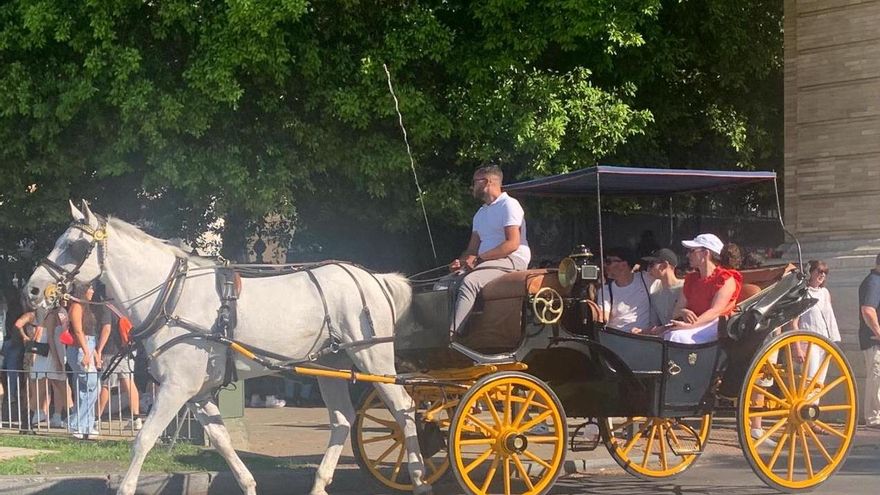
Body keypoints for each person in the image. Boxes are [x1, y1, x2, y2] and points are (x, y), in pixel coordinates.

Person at [447, 164, 530, 336]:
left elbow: (512, 243)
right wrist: (461, 263)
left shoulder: (509, 205)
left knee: (470, 282)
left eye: (474, 182)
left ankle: (451, 336)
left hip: (512, 259)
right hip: (486, 261)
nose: (472, 186)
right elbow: (472, 249)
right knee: (442, 285)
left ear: (487, 182)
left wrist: (479, 259)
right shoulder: (480, 213)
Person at [665, 233, 742, 345]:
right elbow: (676, 311)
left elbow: (715, 311)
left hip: (715, 327)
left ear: (706, 253)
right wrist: (683, 312)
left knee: (675, 337)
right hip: (692, 327)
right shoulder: (691, 279)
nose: (687, 255)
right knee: (662, 337)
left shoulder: (725, 279)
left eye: (692, 251)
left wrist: (690, 326)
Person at [791, 261, 841, 412]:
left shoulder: (825, 293)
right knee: (809, 379)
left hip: (825, 341)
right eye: (819, 271)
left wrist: (833, 340)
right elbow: (794, 322)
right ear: (811, 272)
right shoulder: (803, 292)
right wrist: (797, 347)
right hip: (808, 340)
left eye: (824, 273)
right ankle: (804, 413)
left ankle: (812, 414)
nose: (822, 275)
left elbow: (829, 317)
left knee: (819, 381)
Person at [95, 282, 142, 430]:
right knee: (129, 382)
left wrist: (99, 349)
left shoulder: (106, 306)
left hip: (111, 350)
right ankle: (136, 418)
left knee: (106, 385)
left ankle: (95, 418)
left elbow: (107, 328)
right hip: (127, 349)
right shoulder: (123, 306)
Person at [66, 283, 101, 438]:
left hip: (88, 345)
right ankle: (77, 423)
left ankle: (86, 424)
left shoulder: (85, 307)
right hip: (81, 347)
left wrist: (94, 353)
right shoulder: (76, 307)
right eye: (90, 288)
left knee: (84, 388)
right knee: (93, 386)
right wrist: (87, 352)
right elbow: (78, 331)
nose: (92, 291)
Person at [32, 303, 71, 428]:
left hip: (59, 352)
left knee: (60, 385)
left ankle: (64, 415)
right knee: (44, 386)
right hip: (51, 354)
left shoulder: (62, 312)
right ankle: (31, 416)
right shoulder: (51, 315)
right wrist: (56, 360)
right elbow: (50, 338)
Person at [599, 246, 651, 333]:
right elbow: (603, 316)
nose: (604, 265)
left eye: (608, 262)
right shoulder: (606, 290)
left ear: (623, 264)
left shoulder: (645, 279)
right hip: (618, 337)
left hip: (643, 338)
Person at [858, 253, 880, 429]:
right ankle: (873, 418)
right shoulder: (873, 281)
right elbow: (868, 310)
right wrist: (878, 332)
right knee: (876, 378)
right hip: (873, 340)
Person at [644, 248, 683, 327]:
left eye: (651, 265)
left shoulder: (686, 287)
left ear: (664, 265)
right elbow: (654, 325)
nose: (648, 269)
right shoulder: (655, 294)